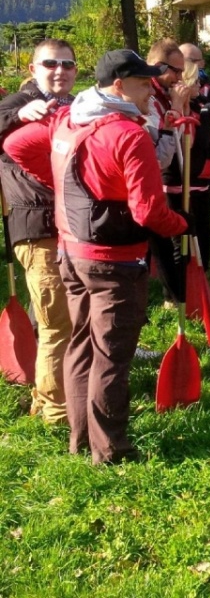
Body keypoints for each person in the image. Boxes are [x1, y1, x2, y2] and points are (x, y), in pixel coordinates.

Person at [4, 49, 191, 464]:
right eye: (145, 85)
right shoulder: (129, 133)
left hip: (71, 253)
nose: (151, 92)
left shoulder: (69, 119)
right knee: (110, 354)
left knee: (82, 348)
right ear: (120, 86)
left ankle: (81, 437)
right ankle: (112, 450)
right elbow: (147, 212)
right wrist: (180, 224)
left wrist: (60, 179)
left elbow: (18, 144)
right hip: (115, 259)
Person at [0, 38, 77, 424]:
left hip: (72, 227)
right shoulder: (16, 103)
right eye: (50, 64)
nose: (59, 70)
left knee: (66, 320)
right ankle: (57, 413)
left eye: (67, 64)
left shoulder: (74, 107)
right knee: (57, 323)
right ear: (33, 69)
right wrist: (17, 115)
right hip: (37, 227)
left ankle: (47, 395)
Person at [145, 39, 192, 304]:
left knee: (161, 241)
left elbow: (184, 139)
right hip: (154, 178)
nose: (179, 77)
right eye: (175, 70)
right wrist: (175, 107)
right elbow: (161, 155)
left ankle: (174, 296)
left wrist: (181, 107)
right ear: (157, 66)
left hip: (163, 173)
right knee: (159, 241)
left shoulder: (166, 94)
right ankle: (172, 297)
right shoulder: (148, 97)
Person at [178, 43, 210, 269]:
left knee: (203, 225)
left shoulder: (209, 90)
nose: (196, 70)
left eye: (197, 61)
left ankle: (202, 270)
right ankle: (181, 281)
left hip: (205, 175)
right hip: (184, 180)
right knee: (182, 231)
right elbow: (193, 144)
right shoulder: (181, 106)